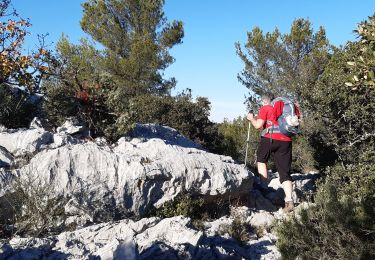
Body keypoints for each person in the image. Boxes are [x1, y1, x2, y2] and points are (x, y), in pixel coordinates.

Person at [247, 95, 300, 213]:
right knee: (284, 172)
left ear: (264, 101)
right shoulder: (286, 109)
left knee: (261, 160)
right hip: (286, 140)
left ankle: (264, 187)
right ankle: (289, 201)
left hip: (270, 137)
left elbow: (258, 125)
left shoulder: (265, 108)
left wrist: (251, 118)